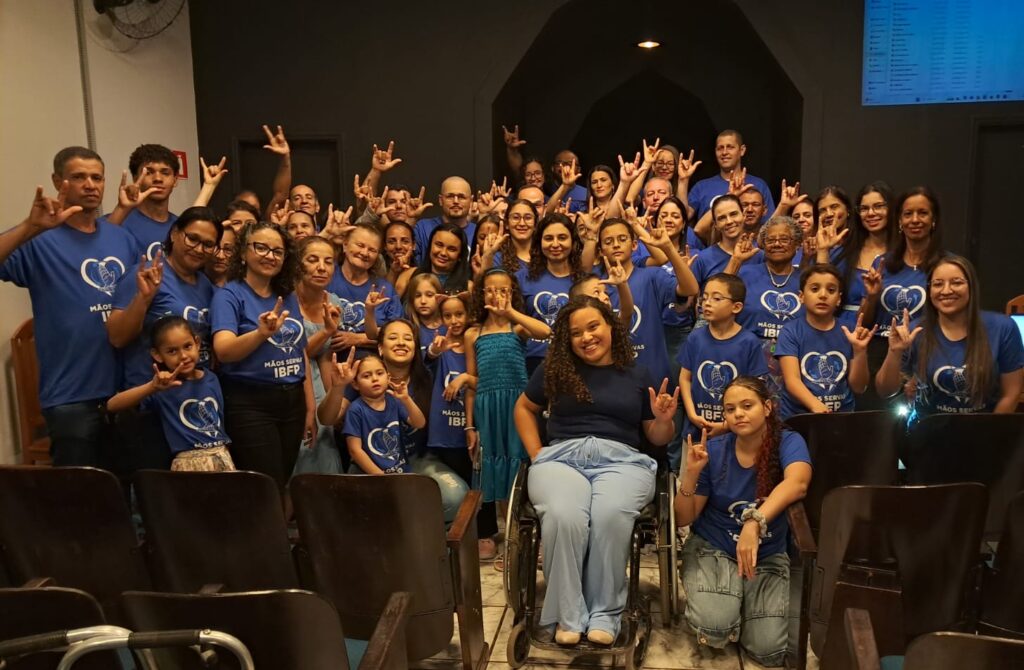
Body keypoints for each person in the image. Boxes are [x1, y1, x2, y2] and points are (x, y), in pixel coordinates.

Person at [513, 297, 679, 644]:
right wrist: (537, 452)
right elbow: (524, 409)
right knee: (562, 515)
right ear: (567, 340)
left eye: (593, 327)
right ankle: (569, 617)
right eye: (576, 333)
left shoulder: (638, 373)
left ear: (610, 327)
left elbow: (657, 437)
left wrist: (664, 420)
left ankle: (605, 613)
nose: (586, 337)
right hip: (562, 457)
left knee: (609, 515)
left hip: (623, 461)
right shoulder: (555, 369)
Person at [0, 148, 139, 466]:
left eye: (96, 177)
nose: (90, 184)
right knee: (77, 498)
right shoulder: (39, 241)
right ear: (57, 181)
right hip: (71, 395)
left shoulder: (122, 239)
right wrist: (29, 227)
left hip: (125, 390)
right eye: (79, 177)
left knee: (123, 494)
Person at [676, 376, 811, 667]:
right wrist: (690, 475)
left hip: (766, 554)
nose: (737, 414)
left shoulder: (789, 441)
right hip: (715, 547)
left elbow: (798, 484)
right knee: (715, 628)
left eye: (747, 406)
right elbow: (683, 518)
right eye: (729, 409)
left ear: (768, 408)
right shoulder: (715, 449)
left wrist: (754, 521)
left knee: (767, 652)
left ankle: (739, 598)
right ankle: (729, 598)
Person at [107, 206, 222, 472]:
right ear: (174, 234)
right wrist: (144, 298)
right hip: (152, 405)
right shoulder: (145, 274)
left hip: (192, 404)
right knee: (158, 497)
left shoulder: (205, 284)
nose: (198, 248)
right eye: (192, 238)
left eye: (208, 244)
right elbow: (117, 337)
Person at [211, 221, 316, 492]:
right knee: (264, 486)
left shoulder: (287, 296)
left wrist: (309, 406)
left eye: (277, 251)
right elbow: (223, 350)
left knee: (280, 482)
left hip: (292, 401)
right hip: (251, 403)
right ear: (244, 253)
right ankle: (267, 535)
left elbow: (299, 349)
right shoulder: (229, 295)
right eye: (261, 247)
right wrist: (260, 333)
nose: (270, 255)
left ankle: (276, 533)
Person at [466, 269, 552, 560]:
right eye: (490, 289)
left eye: (503, 290)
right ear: (482, 294)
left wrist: (513, 312)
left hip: (517, 406)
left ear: (512, 294)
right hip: (487, 408)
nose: (496, 294)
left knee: (519, 467)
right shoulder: (473, 334)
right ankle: (510, 539)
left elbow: (545, 332)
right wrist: (469, 425)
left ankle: (529, 534)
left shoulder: (518, 329)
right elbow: (472, 382)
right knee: (496, 472)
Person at [875, 255, 1023, 418]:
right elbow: (885, 391)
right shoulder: (915, 330)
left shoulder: (1003, 328)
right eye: (938, 284)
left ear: (971, 287)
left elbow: (1011, 393)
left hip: (984, 433)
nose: (946, 291)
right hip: (927, 433)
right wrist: (894, 352)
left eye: (957, 283)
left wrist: (988, 434)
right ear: (929, 290)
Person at [107, 316, 234, 472]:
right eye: (172, 351)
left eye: (187, 346)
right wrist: (151, 387)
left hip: (223, 456)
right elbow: (112, 405)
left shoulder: (212, 378)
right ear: (157, 355)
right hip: (187, 464)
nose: (183, 356)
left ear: (197, 343)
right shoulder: (162, 387)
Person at [678, 274, 768, 469]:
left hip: (736, 433)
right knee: (692, 482)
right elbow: (685, 378)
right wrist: (692, 414)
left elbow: (755, 391)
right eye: (705, 297)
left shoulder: (749, 342)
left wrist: (726, 426)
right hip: (696, 430)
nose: (707, 303)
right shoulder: (695, 338)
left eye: (717, 298)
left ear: (736, 307)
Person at [775, 264, 875, 419]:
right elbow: (792, 380)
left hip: (842, 417)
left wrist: (860, 351)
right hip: (799, 418)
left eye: (831, 290)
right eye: (815, 289)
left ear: (839, 299)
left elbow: (859, 387)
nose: (823, 295)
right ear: (801, 297)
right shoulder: (790, 331)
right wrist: (817, 407)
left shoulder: (850, 330)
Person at [860, 186, 945, 338]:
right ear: (900, 220)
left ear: (934, 220)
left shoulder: (946, 265)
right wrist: (872, 297)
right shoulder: (882, 263)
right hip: (881, 350)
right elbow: (863, 322)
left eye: (923, 213)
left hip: (923, 350)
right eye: (908, 214)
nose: (915, 220)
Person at [293, 236, 344, 474]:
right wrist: (326, 331)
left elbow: (325, 355)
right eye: (312, 260)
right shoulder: (285, 299)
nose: (321, 267)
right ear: (298, 263)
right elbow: (295, 350)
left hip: (319, 380)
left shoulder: (332, 301)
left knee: (323, 444)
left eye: (328, 261)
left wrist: (332, 399)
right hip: (292, 377)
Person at [518, 213, 585, 375]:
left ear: (573, 241)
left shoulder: (584, 279)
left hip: (575, 360)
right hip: (532, 361)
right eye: (548, 238)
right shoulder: (522, 277)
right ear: (539, 242)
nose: (555, 244)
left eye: (562, 237)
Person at [342, 354, 426, 474]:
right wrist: (381, 477)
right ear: (355, 384)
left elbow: (420, 423)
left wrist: (406, 399)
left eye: (380, 373)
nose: (375, 378)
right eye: (366, 376)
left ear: (388, 377)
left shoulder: (394, 400)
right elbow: (354, 450)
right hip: (368, 474)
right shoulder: (355, 410)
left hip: (400, 471)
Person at [328, 222, 402, 354]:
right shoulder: (325, 276)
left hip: (373, 366)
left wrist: (358, 339)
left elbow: (398, 333)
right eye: (360, 245)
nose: (365, 253)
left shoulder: (385, 289)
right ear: (345, 245)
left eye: (372, 250)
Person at [108, 143, 181, 259]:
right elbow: (98, 249)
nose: (158, 179)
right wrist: (121, 209)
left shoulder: (179, 226)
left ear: (175, 180)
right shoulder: (117, 220)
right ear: (136, 178)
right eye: (149, 172)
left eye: (165, 173)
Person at [687, 130, 775, 221]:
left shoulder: (758, 185)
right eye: (720, 148)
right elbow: (684, 217)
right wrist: (683, 180)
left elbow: (771, 225)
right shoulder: (701, 187)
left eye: (730, 147)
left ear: (742, 150)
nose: (724, 152)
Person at [398, 222, 472, 296]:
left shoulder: (468, 287)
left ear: (460, 255)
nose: (443, 253)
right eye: (439, 245)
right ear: (430, 246)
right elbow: (389, 305)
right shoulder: (408, 276)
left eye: (451, 249)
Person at [413, 177, 474, 264]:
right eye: (450, 196)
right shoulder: (422, 227)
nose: (456, 201)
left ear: (471, 201)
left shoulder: (478, 232)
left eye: (461, 197)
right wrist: (411, 219)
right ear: (441, 200)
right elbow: (407, 258)